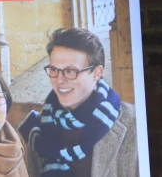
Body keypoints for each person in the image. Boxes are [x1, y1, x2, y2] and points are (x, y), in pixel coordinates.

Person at [18, 28, 138, 177]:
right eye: (54, 69)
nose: (60, 80)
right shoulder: (38, 128)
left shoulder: (135, 123)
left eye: (70, 71)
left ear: (97, 73)